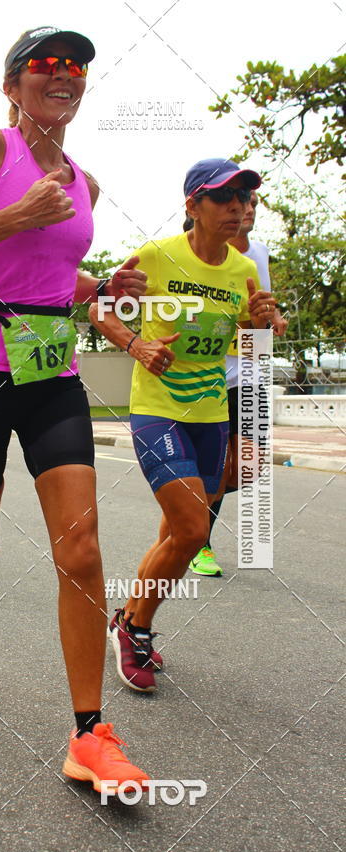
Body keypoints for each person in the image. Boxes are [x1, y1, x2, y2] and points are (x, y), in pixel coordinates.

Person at [0, 26, 151, 792]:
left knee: (79, 548)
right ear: (12, 86)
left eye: (75, 65)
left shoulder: (86, 183)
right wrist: (14, 215)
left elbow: (51, 278)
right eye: (45, 64)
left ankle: (89, 735)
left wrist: (101, 288)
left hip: (51, 374)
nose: (63, 74)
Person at [90, 158, 277, 693]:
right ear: (193, 205)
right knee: (194, 530)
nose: (238, 210)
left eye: (244, 200)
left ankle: (129, 614)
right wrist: (136, 343)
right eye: (225, 199)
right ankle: (135, 628)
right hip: (158, 407)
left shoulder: (242, 269)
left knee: (178, 530)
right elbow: (101, 307)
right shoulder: (156, 256)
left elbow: (243, 338)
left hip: (211, 412)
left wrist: (258, 324)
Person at [189, 190, 287, 576]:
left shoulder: (259, 252)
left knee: (248, 469)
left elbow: (263, 300)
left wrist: (272, 317)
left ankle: (187, 513)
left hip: (250, 374)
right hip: (211, 375)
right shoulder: (205, 252)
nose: (246, 210)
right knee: (217, 466)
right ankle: (198, 541)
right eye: (239, 203)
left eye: (252, 204)